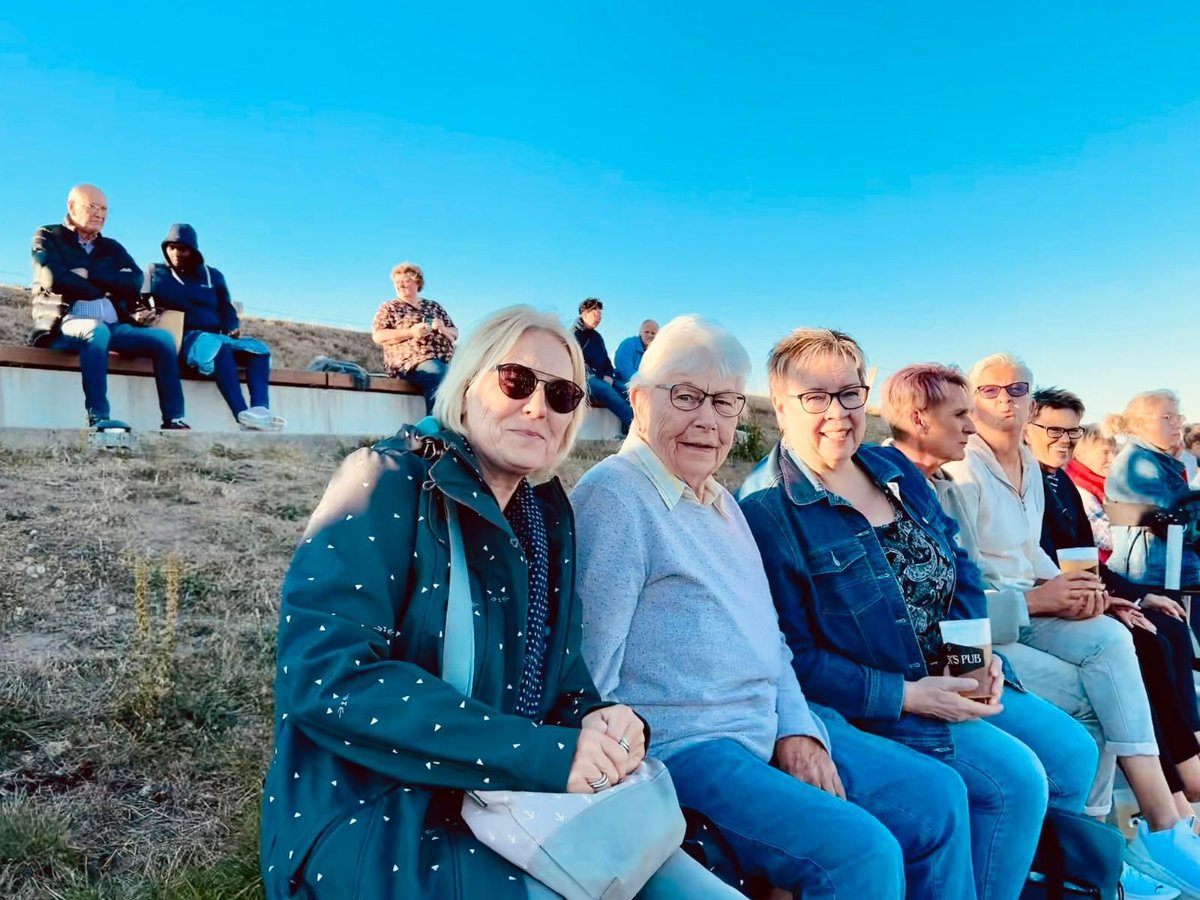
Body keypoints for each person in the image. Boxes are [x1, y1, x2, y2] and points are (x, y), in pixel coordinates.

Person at [261, 306, 736, 899]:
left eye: (561, 395)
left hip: (516, 802)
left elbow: (564, 685)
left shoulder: (546, 525)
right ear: (466, 385)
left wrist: (603, 719)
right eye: (516, 381)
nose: (538, 407)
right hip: (384, 811)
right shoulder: (388, 481)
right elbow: (326, 676)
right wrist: (542, 754)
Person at [575, 316, 978, 900]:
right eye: (685, 396)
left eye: (724, 402)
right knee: (861, 853)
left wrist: (795, 729)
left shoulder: (719, 502)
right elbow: (590, 677)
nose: (707, 420)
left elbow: (772, 640)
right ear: (638, 400)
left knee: (937, 799)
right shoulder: (616, 496)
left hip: (769, 723)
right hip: (687, 746)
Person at [739, 333, 1094, 900]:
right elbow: (793, 657)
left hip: (947, 673)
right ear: (780, 406)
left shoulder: (890, 468)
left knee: (1073, 756)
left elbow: (959, 566)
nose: (838, 413)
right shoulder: (768, 509)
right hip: (876, 702)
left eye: (850, 393)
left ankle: (1023, 873)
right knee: (1015, 783)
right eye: (815, 397)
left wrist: (973, 660)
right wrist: (910, 696)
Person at [941, 353, 1200, 897]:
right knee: (1100, 689)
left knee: (1117, 634)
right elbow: (964, 582)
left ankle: (1154, 825)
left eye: (1018, 389)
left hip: (1034, 604)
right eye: (991, 390)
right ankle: (1115, 841)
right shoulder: (962, 471)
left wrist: (1093, 596)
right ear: (971, 399)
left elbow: (1034, 553)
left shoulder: (1029, 466)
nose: (1006, 399)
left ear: (1029, 400)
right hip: (995, 619)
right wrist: (1046, 596)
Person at [1027, 387, 1200, 818]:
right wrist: (1112, 601)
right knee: (1145, 641)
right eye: (1053, 430)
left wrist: (1139, 595)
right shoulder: (1029, 481)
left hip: (1089, 592)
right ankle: (1173, 788)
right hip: (1053, 603)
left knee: (1170, 626)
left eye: (1072, 431)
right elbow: (1041, 563)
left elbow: (1087, 558)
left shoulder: (1060, 484)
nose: (1065, 440)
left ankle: (1187, 759)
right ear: (1028, 428)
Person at [30, 184, 188, 431]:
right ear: (72, 206)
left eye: (104, 209)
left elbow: (134, 280)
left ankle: (174, 419)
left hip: (114, 327)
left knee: (163, 340)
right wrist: (107, 285)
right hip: (65, 325)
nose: (100, 214)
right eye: (92, 206)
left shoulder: (112, 247)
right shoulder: (48, 235)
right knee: (96, 330)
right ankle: (98, 417)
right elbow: (52, 277)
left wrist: (88, 275)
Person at [144, 224, 284, 431]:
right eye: (171, 247)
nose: (176, 253)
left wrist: (232, 326)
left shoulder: (213, 276)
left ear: (193, 251)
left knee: (259, 350)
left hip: (214, 335)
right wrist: (144, 314)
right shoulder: (155, 271)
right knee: (218, 348)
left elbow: (226, 308)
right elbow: (139, 302)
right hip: (183, 337)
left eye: (182, 249)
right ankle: (242, 414)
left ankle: (259, 410)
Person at [1106, 391, 1200, 593]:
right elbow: (1178, 514)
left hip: (1168, 574)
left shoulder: (1155, 461)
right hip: (1152, 580)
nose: (1178, 424)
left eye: (1178, 417)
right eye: (1168, 417)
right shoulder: (1137, 462)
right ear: (1139, 424)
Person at [371, 262, 458, 414]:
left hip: (444, 361)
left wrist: (443, 328)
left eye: (405, 281)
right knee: (438, 374)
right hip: (409, 363)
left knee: (461, 379)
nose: (400, 285)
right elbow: (378, 336)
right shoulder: (389, 307)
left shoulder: (434, 306)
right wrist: (411, 332)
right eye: (397, 282)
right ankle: (437, 425)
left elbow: (455, 333)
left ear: (417, 282)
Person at [573, 298, 633, 436]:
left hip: (601, 378)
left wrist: (609, 375)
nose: (599, 317)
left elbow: (606, 360)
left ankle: (627, 429)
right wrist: (601, 376)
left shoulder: (597, 337)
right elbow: (576, 363)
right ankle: (635, 425)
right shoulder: (574, 334)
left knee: (626, 390)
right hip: (584, 379)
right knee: (606, 390)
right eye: (596, 313)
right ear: (585, 314)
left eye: (600, 314)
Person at [1065, 425, 1118, 563]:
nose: (1113, 459)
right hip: (1099, 566)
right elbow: (1105, 537)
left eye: (1115, 452)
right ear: (1080, 454)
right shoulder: (1078, 489)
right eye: (1105, 452)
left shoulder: (1106, 483)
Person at [614, 319, 659, 384]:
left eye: (653, 333)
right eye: (647, 332)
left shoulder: (655, 352)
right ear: (640, 332)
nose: (649, 335)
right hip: (623, 384)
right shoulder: (628, 344)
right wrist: (645, 383)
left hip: (645, 385)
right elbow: (625, 370)